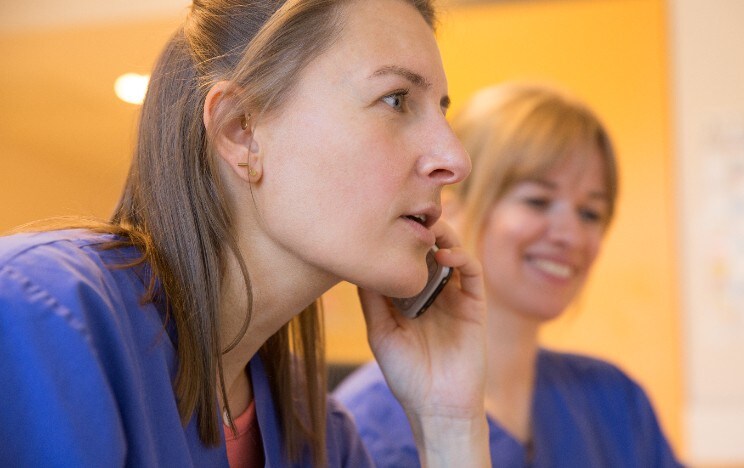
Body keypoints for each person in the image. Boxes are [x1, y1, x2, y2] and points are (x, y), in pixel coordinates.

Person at [0, 0, 492, 466]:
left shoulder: (321, 436)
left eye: (441, 110)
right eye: (396, 100)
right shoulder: (41, 316)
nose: (455, 160)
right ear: (241, 130)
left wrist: (448, 423)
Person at [334, 82, 684, 467]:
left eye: (591, 213)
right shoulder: (361, 429)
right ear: (449, 211)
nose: (571, 235)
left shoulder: (615, 400)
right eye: (537, 201)